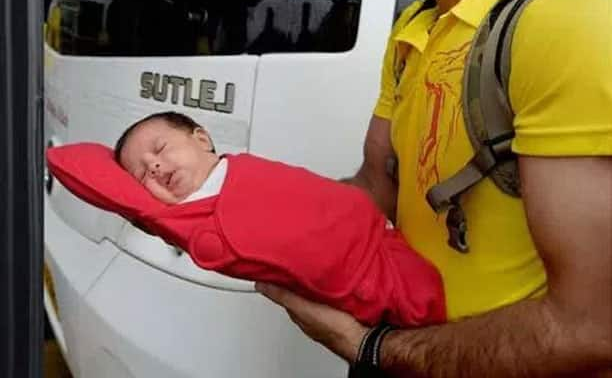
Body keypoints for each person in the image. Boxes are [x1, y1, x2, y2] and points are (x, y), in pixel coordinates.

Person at [254, 0, 612, 377]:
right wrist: (223, 202)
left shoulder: (571, 24)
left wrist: (375, 351)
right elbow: (378, 187)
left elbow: (592, 325)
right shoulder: (420, 23)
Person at [48, 111, 446, 327]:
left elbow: (308, 194)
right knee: (422, 302)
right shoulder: (192, 219)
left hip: (380, 231)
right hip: (368, 274)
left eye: (160, 147)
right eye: (141, 174)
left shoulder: (243, 169)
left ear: (201, 138)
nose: (153, 165)